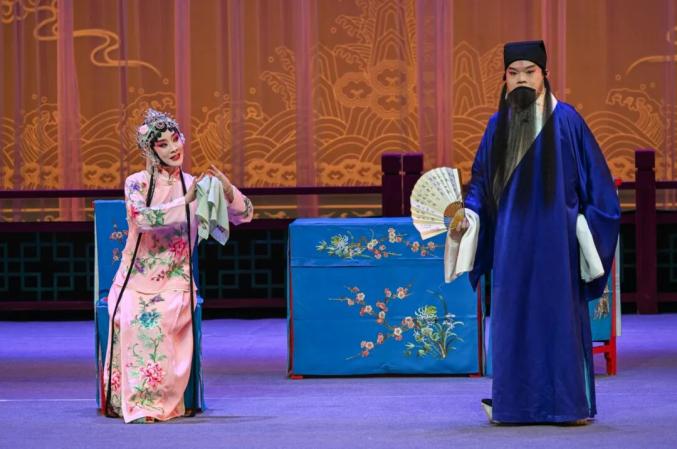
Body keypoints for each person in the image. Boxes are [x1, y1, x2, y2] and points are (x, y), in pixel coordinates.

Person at [447, 40, 620, 424]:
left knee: (558, 321)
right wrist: (469, 215)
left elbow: (601, 191)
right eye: (514, 73)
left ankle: (567, 407)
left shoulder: (568, 121)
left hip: (558, 244)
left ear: (545, 76)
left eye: (530, 72)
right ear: (504, 79)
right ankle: (513, 406)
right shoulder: (497, 127)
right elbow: (481, 186)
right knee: (513, 323)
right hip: (510, 244)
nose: (522, 79)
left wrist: (585, 231)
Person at [102, 109, 253, 423]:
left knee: (162, 322)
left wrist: (227, 190)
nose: (173, 148)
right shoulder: (137, 183)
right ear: (150, 151)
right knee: (132, 321)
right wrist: (183, 202)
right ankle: (135, 402)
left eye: (175, 139)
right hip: (135, 278)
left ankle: (158, 402)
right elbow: (141, 219)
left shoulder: (195, 184)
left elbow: (245, 214)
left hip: (176, 278)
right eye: (163, 144)